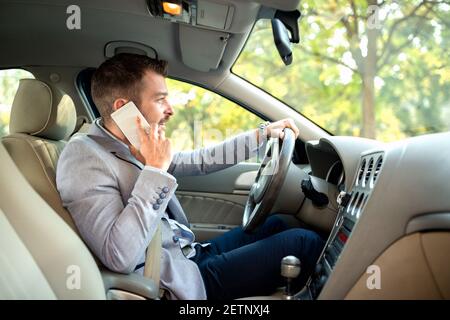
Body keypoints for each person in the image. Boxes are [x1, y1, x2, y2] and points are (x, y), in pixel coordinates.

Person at [56, 53, 324, 300]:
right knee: (302, 243)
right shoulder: (82, 159)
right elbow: (118, 255)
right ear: (124, 108)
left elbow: (200, 161)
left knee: (278, 224)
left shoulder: (131, 145)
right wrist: (155, 170)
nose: (170, 109)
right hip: (175, 283)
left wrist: (261, 135)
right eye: (160, 99)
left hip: (188, 257)